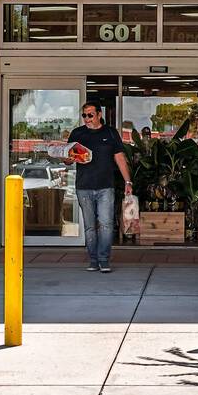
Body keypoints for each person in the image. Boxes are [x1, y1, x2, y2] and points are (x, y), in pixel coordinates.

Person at [64, 102, 133, 273]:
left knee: (106, 224)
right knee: (89, 226)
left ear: (99, 114)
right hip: (84, 186)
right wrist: (66, 157)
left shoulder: (110, 133)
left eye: (90, 115)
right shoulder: (77, 133)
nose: (87, 119)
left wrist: (128, 182)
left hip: (105, 187)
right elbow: (67, 159)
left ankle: (104, 259)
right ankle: (93, 260)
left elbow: (120, 158)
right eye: (84, 116)